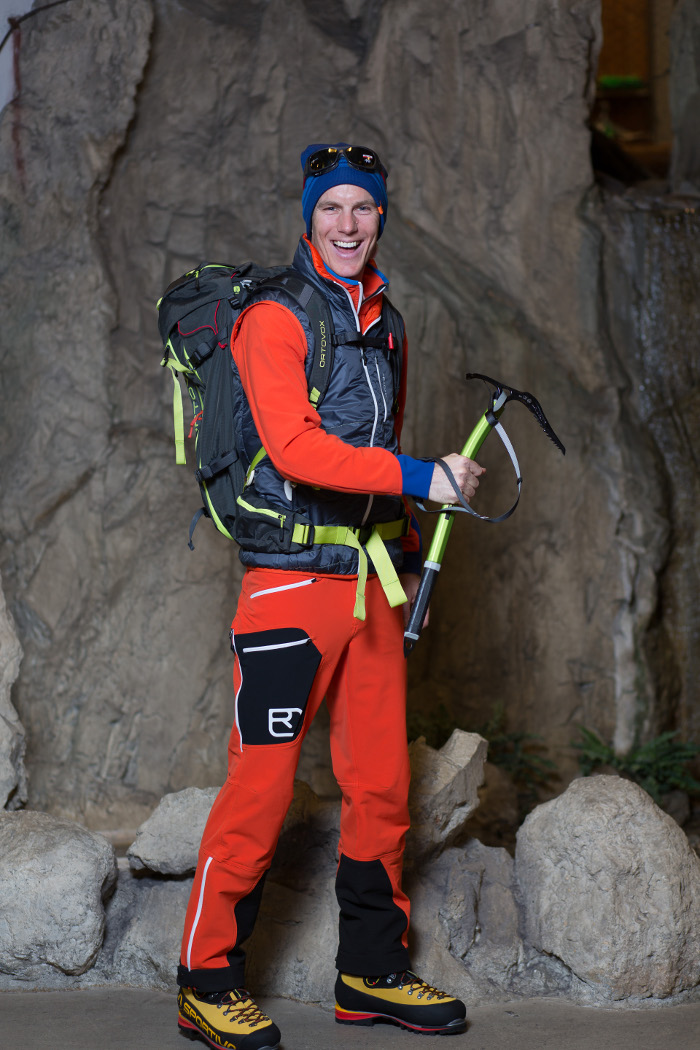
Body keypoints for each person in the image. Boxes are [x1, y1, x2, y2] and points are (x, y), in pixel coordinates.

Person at [176, 143, 485, 1050]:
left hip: (372, 583)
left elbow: (376, 453)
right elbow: (298, 451)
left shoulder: (386, 320)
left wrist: (416, 511)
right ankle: (205, 981)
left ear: (382, 216)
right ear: (308, 218)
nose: (347, 224)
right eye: (331, 209)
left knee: (381, 783)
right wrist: (425, 474)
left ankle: (372, 972)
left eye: (363, 208)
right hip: (287, 586)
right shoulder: (274, 317)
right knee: (262, 787)